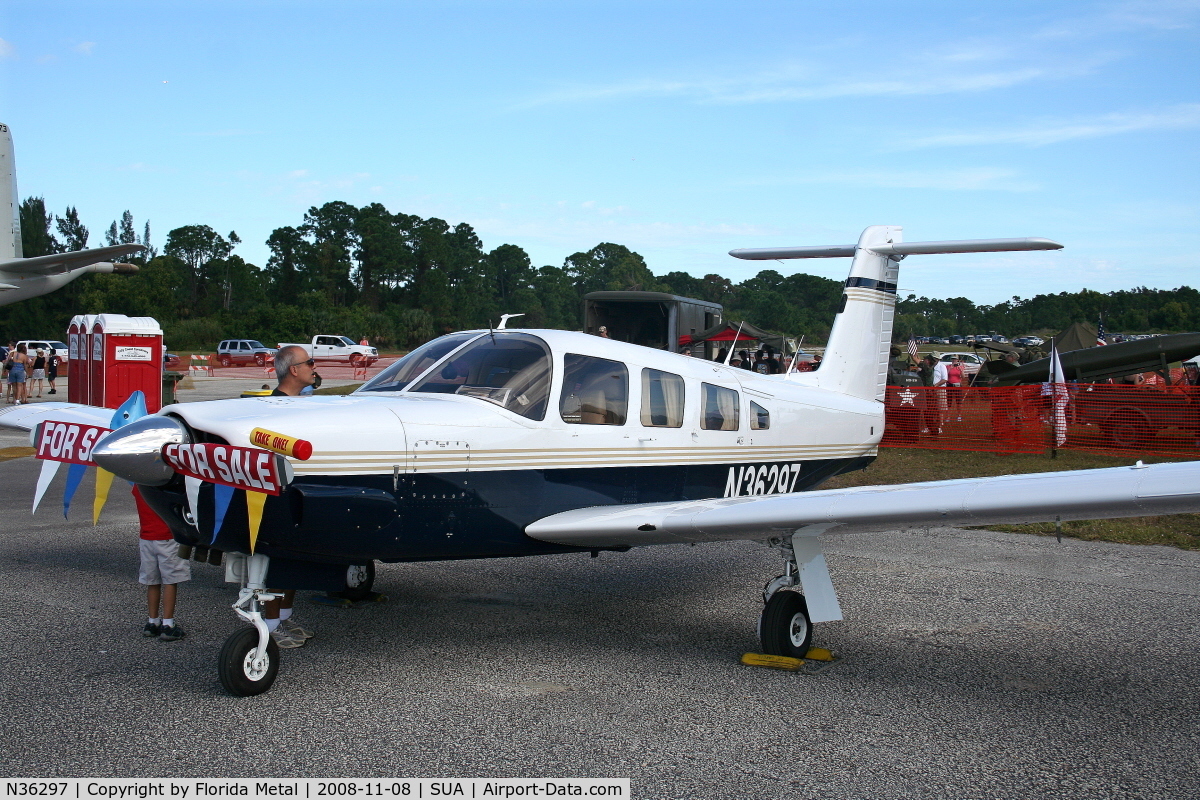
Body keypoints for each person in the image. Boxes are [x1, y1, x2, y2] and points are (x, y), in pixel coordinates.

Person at [134, 486, 190, 641]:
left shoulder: (139, 486)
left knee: (152, 581)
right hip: (167, 536)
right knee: (170, 581)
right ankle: (168, 623)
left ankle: (152, 622)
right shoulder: (164, 488)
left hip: (146, 537)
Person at [945, 356, 965, 422]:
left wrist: (960, 370)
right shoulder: (948, 366)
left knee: (959, 401)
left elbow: (963, 377)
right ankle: (948, 416)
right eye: (953, 359)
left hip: (957, 385)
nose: (954, 360)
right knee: (949, 401)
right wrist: (950, 368)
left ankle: (959, 415)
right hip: (949, 385)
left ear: (957, 360)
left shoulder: (960, 367)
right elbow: (945, 375)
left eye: (955, 359)